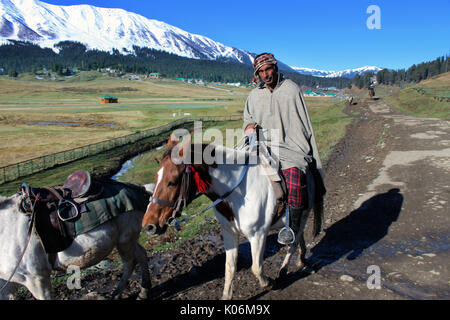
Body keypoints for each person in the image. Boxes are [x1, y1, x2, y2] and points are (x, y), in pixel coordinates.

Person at [243, 53, 326, 245]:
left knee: (295, 181)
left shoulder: (291, 90)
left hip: (291, 147)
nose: (266, 74)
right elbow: (248, 119)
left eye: (268, 69)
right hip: (263, 146)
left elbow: (301, 123)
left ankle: (292, 229)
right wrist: (248, 127)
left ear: (275, 68)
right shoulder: (254, 95)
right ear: (257, 74)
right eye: (261, 72)